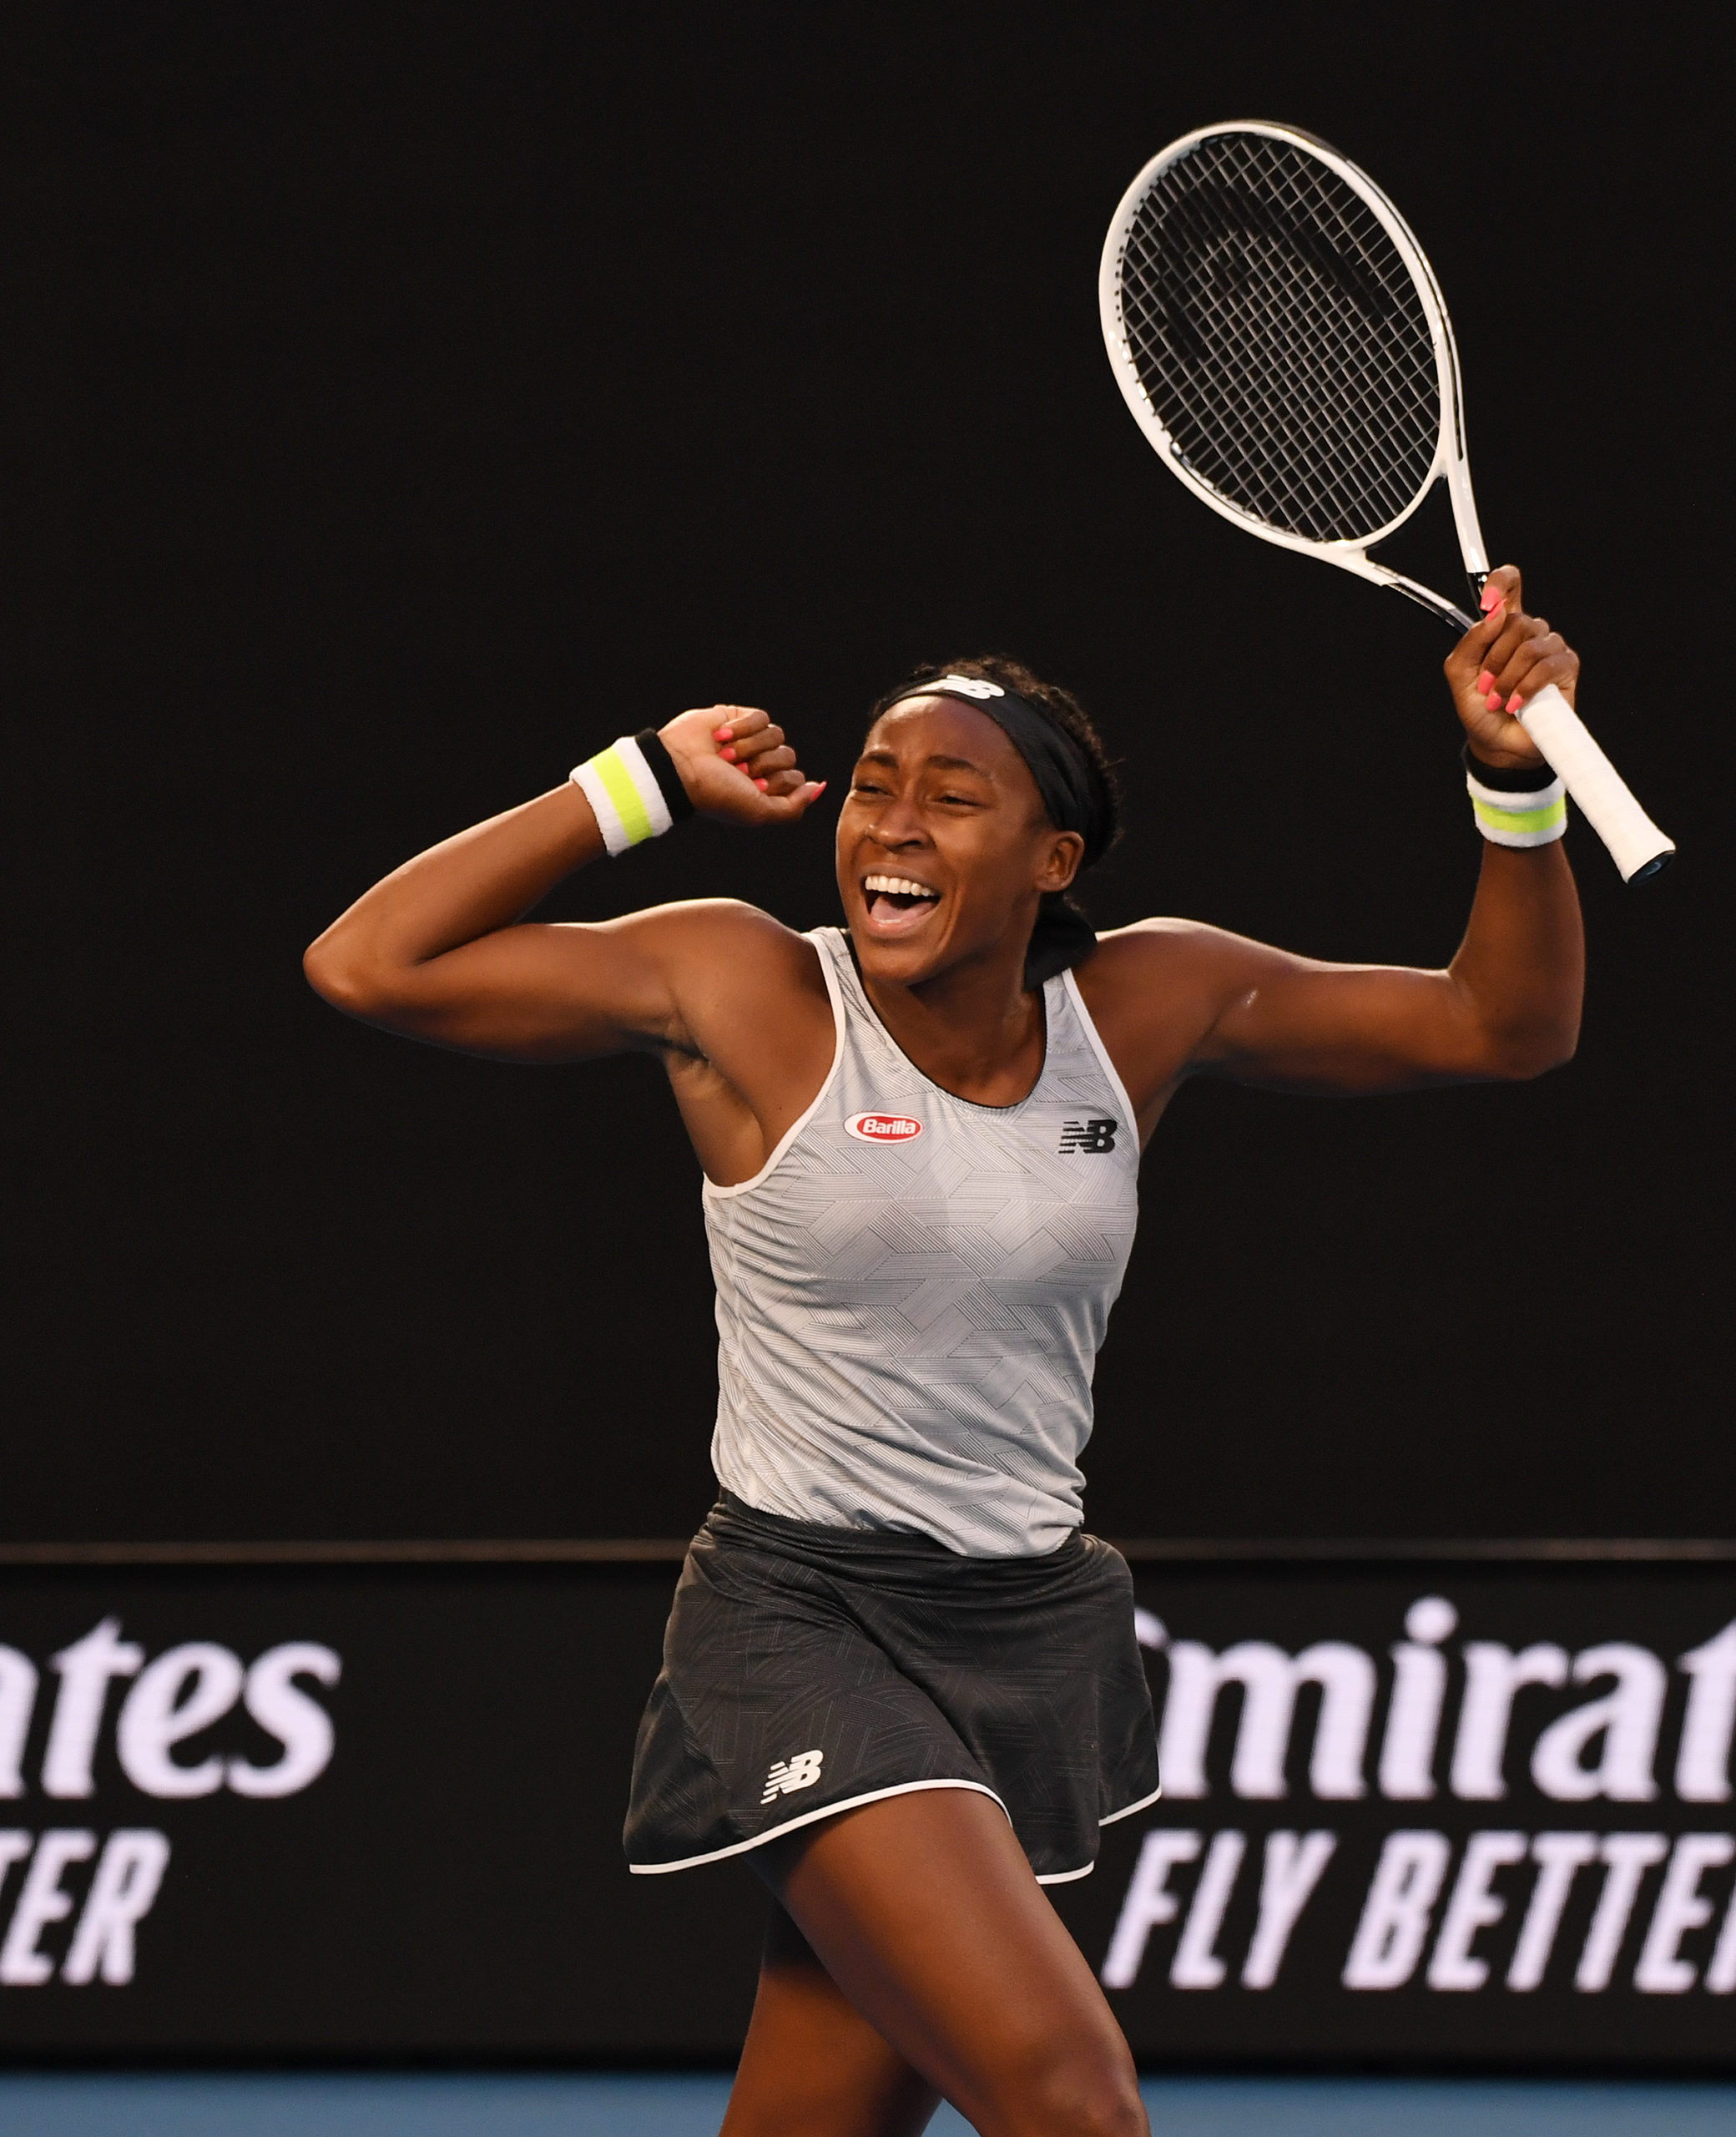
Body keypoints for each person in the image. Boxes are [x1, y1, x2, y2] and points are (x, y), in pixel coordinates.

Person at [305, 565, 1583, 2137]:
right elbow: (367, 965)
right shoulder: (740, 980)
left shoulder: (1151, 999)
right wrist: (641, 782)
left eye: (953, 798)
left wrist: (1513, 782)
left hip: (1027, 1628)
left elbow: (1501, 1026)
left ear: (1054, 861)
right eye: (874, 787)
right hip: (802, 1618)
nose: (893, 825)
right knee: (1074, 2105)